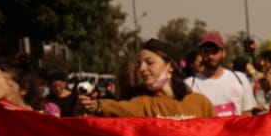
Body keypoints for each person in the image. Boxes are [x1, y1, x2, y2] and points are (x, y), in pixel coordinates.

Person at [75, 39, 215, 119]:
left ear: (170, 66)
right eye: (139, 64)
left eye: (149, 63)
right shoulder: (143, 104)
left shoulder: (200, 103)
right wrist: (97, 106)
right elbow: (119, 108)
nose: (142, 69)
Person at [186, 32, 257, 116]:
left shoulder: (240, 79)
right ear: (201, 54)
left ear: (223, 52)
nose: (211, 56)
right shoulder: (190, 84)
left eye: (214, 51)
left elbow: (247, 114)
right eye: (206, 51)